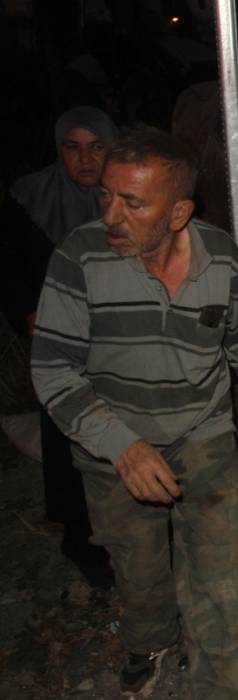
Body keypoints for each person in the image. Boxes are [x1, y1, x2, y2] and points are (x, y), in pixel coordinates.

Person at [31, 126, 238, 700]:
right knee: (140, 572)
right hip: (113, 446)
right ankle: (149, 642)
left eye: (132, 202)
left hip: (202, 433)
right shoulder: (80, 257)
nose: (111, 214)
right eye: (106, 196)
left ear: (178, 213)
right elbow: (51, 370)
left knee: (218, 577)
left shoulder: (220, 255)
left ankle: (219, 696)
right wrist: (123, 446)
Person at [1, 105, 117, 590]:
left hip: (119, 338)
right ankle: (88, 548)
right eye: (72, 147)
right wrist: (29, 310)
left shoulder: (133, 195)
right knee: (70, 441)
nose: (84, 159)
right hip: (60, 339)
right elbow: (10, 268)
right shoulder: (28, 200)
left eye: (96, 147)